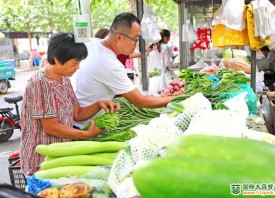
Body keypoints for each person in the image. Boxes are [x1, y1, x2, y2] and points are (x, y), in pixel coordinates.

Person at [20, 32, 120, 176]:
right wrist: (85, 134)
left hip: (61, 154)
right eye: (75, 63)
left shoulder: (64, 79)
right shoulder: (40, 83)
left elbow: (77, 114)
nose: (78, 67)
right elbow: (51, 127)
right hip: (42, 160)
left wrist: (99, 104)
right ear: (57, 59)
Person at [74, 12, 174, 129]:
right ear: (119, 37)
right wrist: (178, 98)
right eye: (135, 39)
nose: (136, 45)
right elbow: (140, 101)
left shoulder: (92, 43)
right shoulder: (110, 64)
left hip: (77, 118)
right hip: (87, 126)